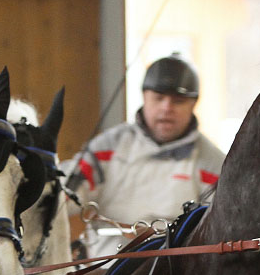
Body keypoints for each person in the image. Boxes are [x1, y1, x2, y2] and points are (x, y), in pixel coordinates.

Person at [65, 54, 226, 257]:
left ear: (194, 104)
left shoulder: (213, 163)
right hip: (103, 269)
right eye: (158, 98)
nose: (166, 108)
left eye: (178, 101)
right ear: (144, 97)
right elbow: (66, 197)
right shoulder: (107, 147)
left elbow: (220, 227)